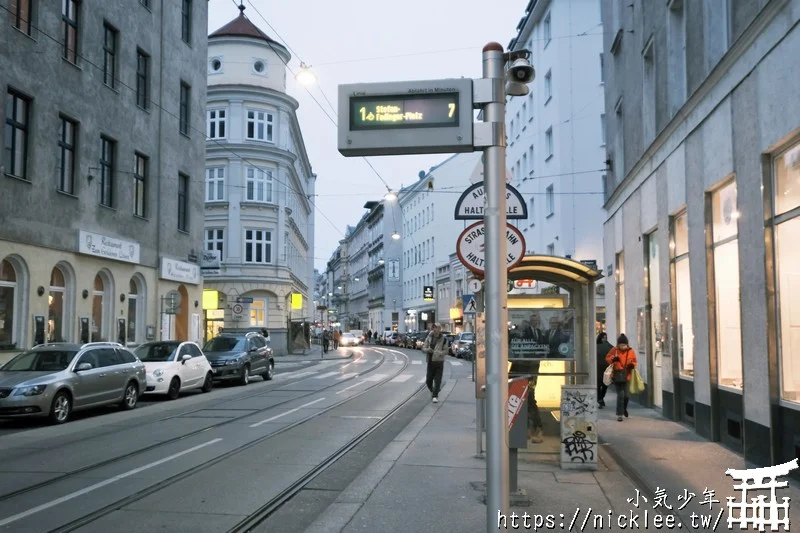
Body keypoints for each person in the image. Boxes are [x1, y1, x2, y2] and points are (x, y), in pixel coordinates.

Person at [605, 334, 638, 421]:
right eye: (621, 345)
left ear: (627, 344)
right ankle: (619, 414)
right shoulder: (614, 350)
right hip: (616, 375)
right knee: (621, 395)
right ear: (618, 344)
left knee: (626, 395)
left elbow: (635, 361)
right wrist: (613, 359)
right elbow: (607, 358)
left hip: (627, 375)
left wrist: (632, 365)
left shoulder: (631, 351)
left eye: (624, 345)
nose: (622, 347)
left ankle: (624, 409)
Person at [423, 323, 449, 403]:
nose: (434, 329)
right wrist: (428, 350)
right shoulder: (429, 337)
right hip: (430, 362)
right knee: (428, 381)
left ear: (439, 329)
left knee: (438, 380)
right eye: (433, 328)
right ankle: (434, 390)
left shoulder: (444, 339)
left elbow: (446, 351)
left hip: (439, 362)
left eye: (436, 328)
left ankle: (435, 396)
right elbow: (424, 347)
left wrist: (439, 353)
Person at [596, 332, 614, 408]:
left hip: (602, 368)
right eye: (603, 337)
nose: (604, 339)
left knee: (601, 385)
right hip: (603, 369)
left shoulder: (596, 346)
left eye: (605, 337)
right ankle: (600, 399)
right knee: (603, 384)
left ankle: (600, 399)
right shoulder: (609, 346)